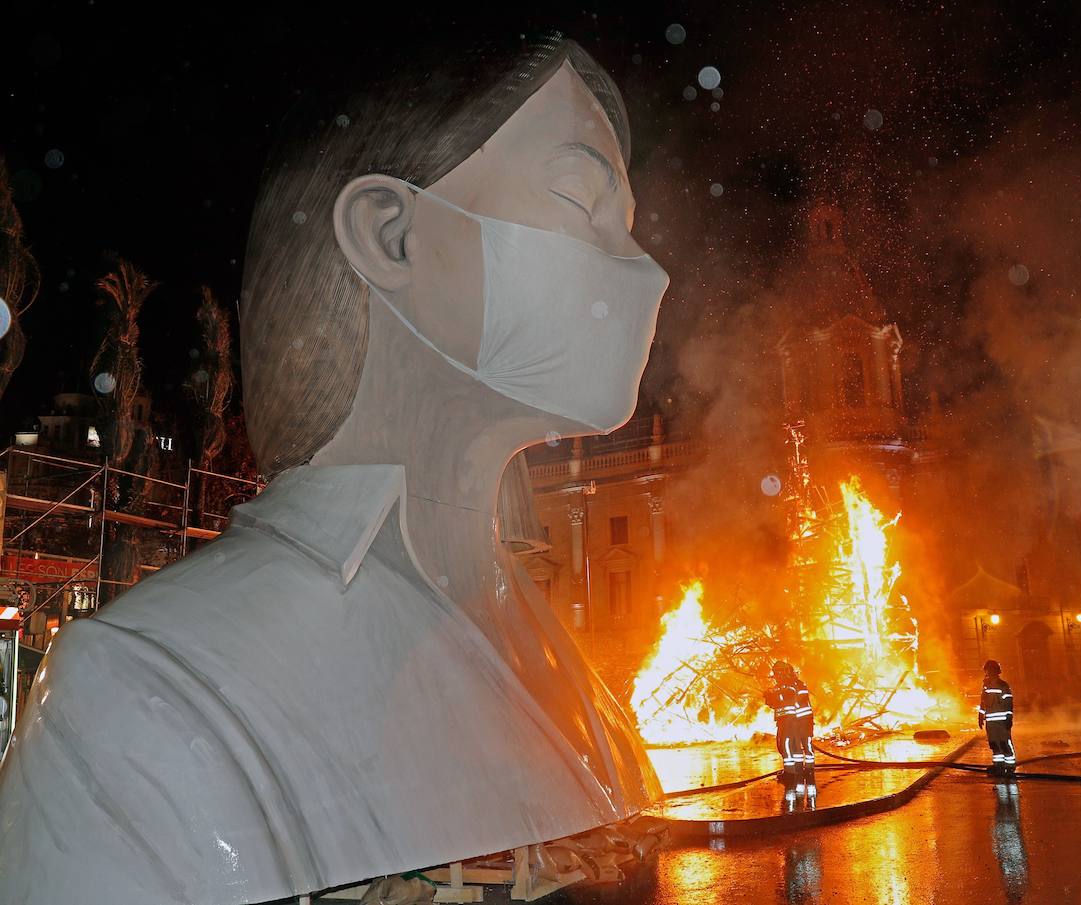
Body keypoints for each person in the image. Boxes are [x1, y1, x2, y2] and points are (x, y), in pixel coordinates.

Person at [0, 33, 667, 905]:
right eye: (581, 197)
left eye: (630, 225)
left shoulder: (557, 659)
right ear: (389, 234)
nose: (645, 269)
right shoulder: (149, 696)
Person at [764, 660, 817, 805]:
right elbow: (778, 702)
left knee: (800, 745)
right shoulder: (785, 686)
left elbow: (788, 699)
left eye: (778, 673)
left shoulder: (795, 685)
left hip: (799, 720)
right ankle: (799, 770)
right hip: (791, 720)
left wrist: (774, 695)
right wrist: (770, 697)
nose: (776, 676)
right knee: (792, 747)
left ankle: (802, 771)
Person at [979, 659, 1016, 776]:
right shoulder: (985, 686)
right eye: (988, 670)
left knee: (1004, 743)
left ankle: (1010, 766)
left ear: (996, 671)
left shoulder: (1003, 685)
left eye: (991, 670)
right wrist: (980, 715)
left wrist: (1009, 718)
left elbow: (1009, 702)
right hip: (990, 722)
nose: (989, 672)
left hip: (1002, 721)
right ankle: (998, 766)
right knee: (994, 744)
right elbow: (983, 702)